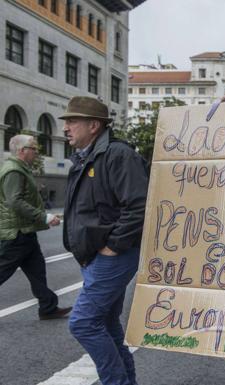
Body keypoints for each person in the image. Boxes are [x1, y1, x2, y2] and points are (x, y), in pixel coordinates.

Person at [60, 96, 148, 385]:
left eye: (72, 121)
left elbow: (139, 205)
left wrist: (114, 246)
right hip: (93, 256)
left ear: (94, 125)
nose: (66, 127)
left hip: (113, 255)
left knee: (83, 323)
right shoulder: (85, 157)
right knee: (106, 324)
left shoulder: (117, 155)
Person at [0, 135, 71, 320]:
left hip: (25, 232)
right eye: (33, 148)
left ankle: (48, 308)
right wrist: (44, 216)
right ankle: (48, 306)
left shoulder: (21, 168)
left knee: (37, 272)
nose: (37, 152)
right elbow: (14, 201)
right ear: (21, 150)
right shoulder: (14, 170)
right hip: (16, 233)